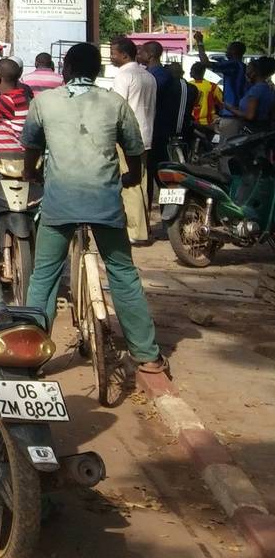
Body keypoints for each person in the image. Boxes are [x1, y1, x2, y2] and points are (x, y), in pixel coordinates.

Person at [20, 42, 166, 375]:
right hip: (105, 204)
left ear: (65, 70)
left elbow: (31, 147)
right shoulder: (114, 103)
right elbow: (134, 151)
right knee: (123, 274)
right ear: (99, 72)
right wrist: (130, 178)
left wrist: (32, 172)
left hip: (59, 205)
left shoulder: (43, 103)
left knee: (44, 276)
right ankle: (147, 355)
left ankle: (29, 357)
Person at [109, 36, 156, 241]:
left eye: (113, 53)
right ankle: (143, 228)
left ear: (124, 55)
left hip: (128, 136)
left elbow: (117, 107)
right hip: (146, 133)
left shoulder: (123, 76)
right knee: (142, 182)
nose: (111, 57)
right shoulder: (148, 76)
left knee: (130, 183)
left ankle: (135, 231)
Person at [139, 41, 182, 185]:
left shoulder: (161, 75)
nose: (139, 54)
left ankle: (168, 203)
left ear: (150, 55)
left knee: (157, 169)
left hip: (158, 129)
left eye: (142, 52)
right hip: (151, 128)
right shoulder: (149, 73)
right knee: (149, 172)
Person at [195, 31, 251, 136]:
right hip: (239, 113)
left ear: (234, 51)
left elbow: (205, 63)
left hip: (231, 114)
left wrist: (199, 42)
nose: (226, 51)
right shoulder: (242, 66)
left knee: (226, 148)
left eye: (228, 49)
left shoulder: (232, 65)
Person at [233, 57, 275, 128]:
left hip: (252, 131)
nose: (246, 73)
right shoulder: (268, 89)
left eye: (248, 69)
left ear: (253, 73)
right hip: (264, 129)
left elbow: (250, 116)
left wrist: (230, 109)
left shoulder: (256, 90)